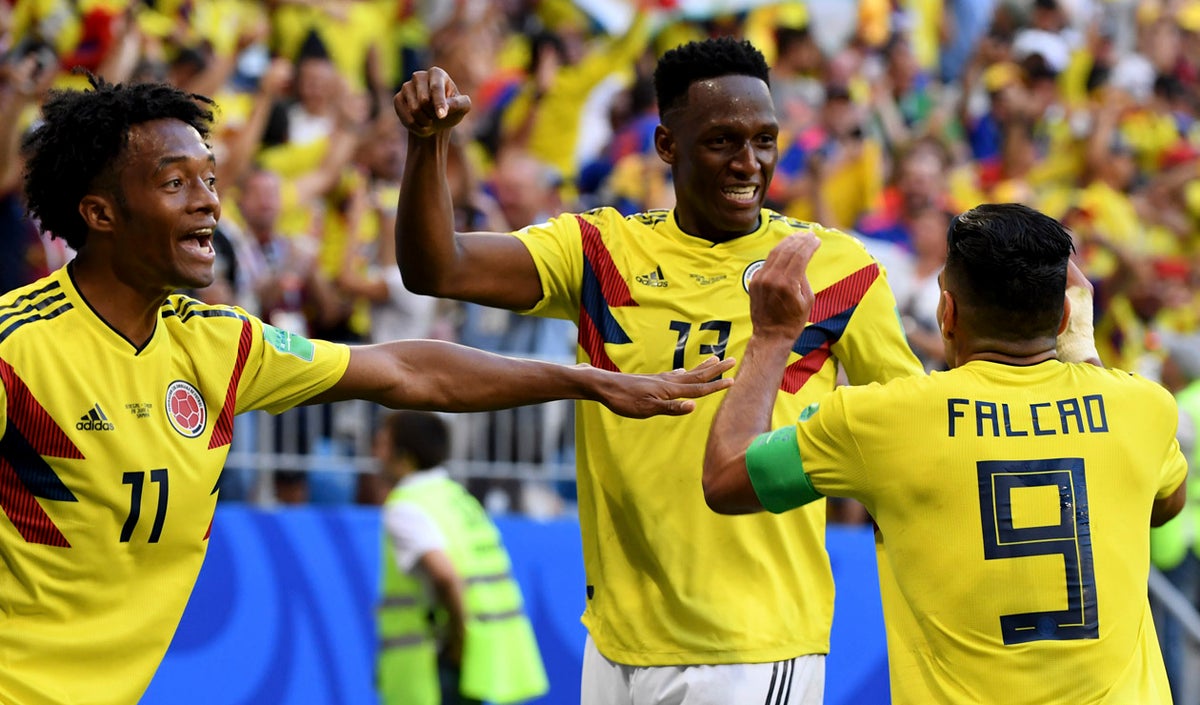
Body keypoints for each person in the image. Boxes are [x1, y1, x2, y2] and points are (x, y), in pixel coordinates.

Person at [0, 75, 736, 705]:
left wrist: (588, 380)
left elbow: (407, 370)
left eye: (210, 179)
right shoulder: (18, 349)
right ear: (98, 213)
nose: (208, 203)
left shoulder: (218, 341)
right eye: (174, 183)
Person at [393, 37, 924, 703]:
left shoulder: (831, 267)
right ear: (667, 144)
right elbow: (436, 267)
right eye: (724, 141)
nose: (749, 163)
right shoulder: (600, 251)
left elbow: (911, 431)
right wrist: (425, 145)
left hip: (750, 645)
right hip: (616, 643)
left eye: (765, 139)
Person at [702, 202, 1189, 704]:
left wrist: (772, 337)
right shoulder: (1141, 406)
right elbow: (1165, 502)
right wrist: (1085, 352)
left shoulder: (881, 419)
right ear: (1066, 314)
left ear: (947, 312)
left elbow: (725, 477)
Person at [374, 409, 548, 705]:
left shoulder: (406, 507)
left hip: (438, 661)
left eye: (382, 444)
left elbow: (444, 575)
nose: (376, 454)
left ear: (404, 455)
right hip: (482, 656)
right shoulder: (458, 497)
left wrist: (458, 641)